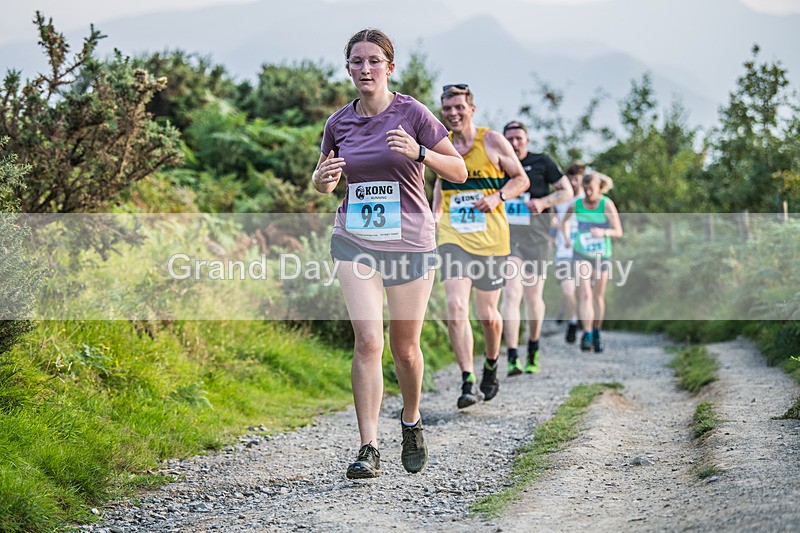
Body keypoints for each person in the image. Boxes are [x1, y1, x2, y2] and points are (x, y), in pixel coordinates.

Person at [313, 28, 467, 479]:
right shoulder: (338, 123)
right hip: (355, 238)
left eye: (373, 61)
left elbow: (457, 170)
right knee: (368, 341)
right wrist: (323, 179)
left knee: (405, 349)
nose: (365, 69)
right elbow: (324, 184)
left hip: (410, 242)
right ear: (348, 68)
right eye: (356, 61)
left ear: (389, 67)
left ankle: (412, 419)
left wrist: (420, 152)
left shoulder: (414, 113)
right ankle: (368, 447)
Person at [432, 85, 529, 409]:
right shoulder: (441, 142)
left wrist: (497, 197)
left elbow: (520, 179)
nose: (453, 113)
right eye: (448, 108)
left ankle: (490, 363)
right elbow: (439, 184)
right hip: (453, 237)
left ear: (471, 109)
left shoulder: (492, 141)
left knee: (489, 316)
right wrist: (434, 217)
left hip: (491, 239)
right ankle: (467, 380)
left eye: (459, 107)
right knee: (456, 306)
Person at [500, 121, 573, 376]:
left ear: (527, 140)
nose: (514, 143)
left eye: (519, 138)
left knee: (533, 297)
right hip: (507, 238)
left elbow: (567, 190)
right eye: (509, 138)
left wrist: (543, 201)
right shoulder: (499, 164)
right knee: (511, 293)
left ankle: (533, 347)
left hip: (538, 238)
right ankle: (511, 356)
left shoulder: (542, 161)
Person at [560, 172, 622, 353]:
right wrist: (567, 239)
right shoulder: (577, 204)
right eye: (585, 189)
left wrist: (604, 233)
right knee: (585, 293)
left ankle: (597, 332)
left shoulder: (606, 204)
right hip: (581, 252)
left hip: (602, 254)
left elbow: (618, 230)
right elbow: (564, 221)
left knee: (597, 295)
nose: (588, 193)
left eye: (591, 189)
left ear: (599, 188)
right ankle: (586, 333)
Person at [553, 161, 586, 344]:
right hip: (563, 251)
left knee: (583, 291)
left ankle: (585, 326)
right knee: (568, 291)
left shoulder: (589, 198)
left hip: (584, 251)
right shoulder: (559, 197)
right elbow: (551, 218)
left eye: (578, 179)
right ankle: (572, 321)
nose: (574, 183)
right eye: (571, 178)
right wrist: (556, 227)